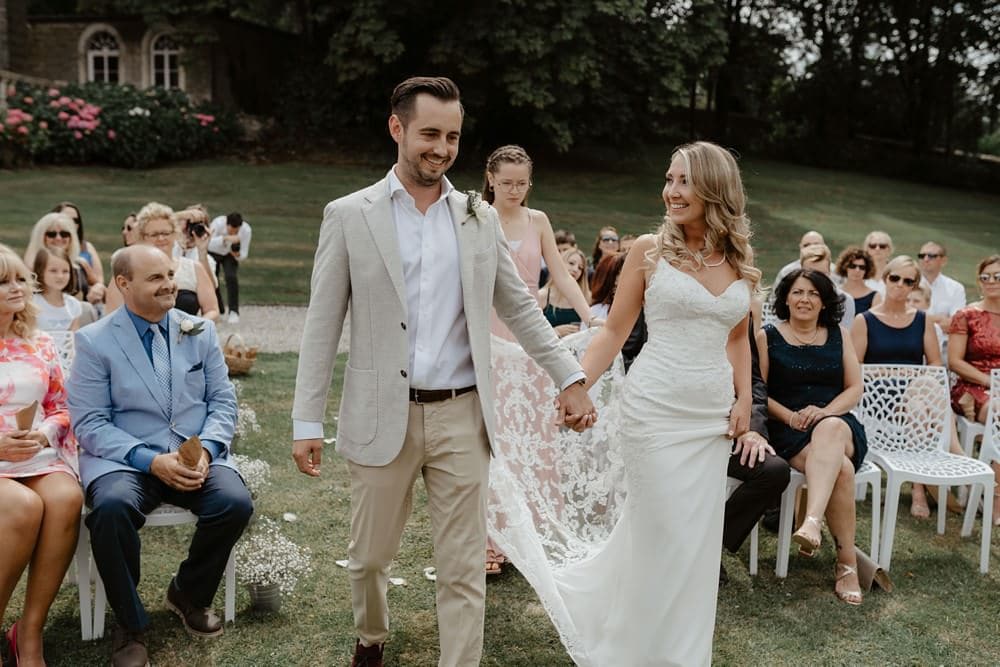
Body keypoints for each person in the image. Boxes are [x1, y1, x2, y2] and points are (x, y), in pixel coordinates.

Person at [289, 76, 594, 667]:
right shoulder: (349, 215)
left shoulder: (477, 218)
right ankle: (371, 637)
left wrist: (569, 376)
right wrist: (306, 419)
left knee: (462, 568)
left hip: (462, 414)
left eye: (452, 136)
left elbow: (521, 308)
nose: (442, 147)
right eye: (430, 133)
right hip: (382, 415)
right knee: (370, 557)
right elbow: (321, 325)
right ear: (397, 128)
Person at [489, 141, 758, 664]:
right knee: (661, 531)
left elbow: (737, 338)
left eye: (683, 181)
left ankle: (681, 653)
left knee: (693, 544)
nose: (671, 191)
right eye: (668, 179)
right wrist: (578, 383)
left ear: (713, 187)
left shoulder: (738, 260)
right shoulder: (649, 252)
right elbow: (614, 330)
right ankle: (629, 649)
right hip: (654, 413)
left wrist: (744, 399)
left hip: (710, 421)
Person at [68, 245, 252, 667]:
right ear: (123, 283)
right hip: (126, 461)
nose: (169, 284)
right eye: (155, 278)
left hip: (193, 455)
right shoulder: (95, 341)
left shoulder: (199, 331)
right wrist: (150, 461)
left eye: (170, 274)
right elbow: (91, 423)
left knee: (234, 502)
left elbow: (224, 402)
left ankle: (188, 592)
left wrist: (205, 450)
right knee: (111, 511)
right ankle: (130, 625)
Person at [480, 144, 592, 574]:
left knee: (534, 434)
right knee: (497, 437)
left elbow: (561, 273)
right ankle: (492, 542)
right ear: (491, 178)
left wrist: (589, 317)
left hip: (528, 332)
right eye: (506, 183)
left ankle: (537, 534)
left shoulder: (538, 220)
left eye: (522, 183)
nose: (514, 190)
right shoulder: (476, 214)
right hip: (488, 332)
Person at [758, 269, 868, 605]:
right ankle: (846, 564)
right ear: (786, 298)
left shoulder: (839, 334)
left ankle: (812, 521)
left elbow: (854, 389)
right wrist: (791, 416)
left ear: (824, 302)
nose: (804, 299)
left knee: (831, 429)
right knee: (843, 471)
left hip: (839, 423)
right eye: (797, 292)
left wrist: (825, 412)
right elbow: (759, 390)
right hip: (790, 429)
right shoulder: (767, 337)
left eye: (813, 294)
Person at [0, 247, 82, 667]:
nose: (16, 287)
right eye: (3, 281)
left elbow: (62, 405)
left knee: (67, 498)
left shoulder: (40, 342)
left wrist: (45, 431)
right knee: (24, 506)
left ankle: (28, 633)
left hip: (36, 454)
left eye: (18, 279)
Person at [850, 255, 962, 517]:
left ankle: (920, 486)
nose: (900, 284)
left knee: (920, 400)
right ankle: (941, 467)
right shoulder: (864, 320)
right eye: (895, 278)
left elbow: (935, 365)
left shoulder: (922, 320)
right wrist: (900, 371)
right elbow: (856, 368)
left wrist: (914, 380)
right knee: (923, 393)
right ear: (885, 279)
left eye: (908, 281)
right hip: (878, 398)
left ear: (914, 286)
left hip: (917, 396)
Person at [948, 254, 1000, 525]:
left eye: (997, 276)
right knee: (999, 411)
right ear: (979, 282)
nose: (991, 281)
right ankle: (995, 495)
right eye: (986, 276)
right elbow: (954, 361)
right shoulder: (967, 315)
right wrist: (992, 382)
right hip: (972, 386)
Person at [104, 203, 220, 321]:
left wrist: (193, 329)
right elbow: (112, 314)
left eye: (165, 233)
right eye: (154, 234)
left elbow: (212, 310)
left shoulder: (194, 268)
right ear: (143, 237)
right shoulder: (126, 269)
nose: (160, 238)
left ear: (175, 234)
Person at [24, 212, 104, 321]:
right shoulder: (32, 268)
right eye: (51, 234)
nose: (58, 238)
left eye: (64, 234)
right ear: (41, 237)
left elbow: (100, 287)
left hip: (78, 320)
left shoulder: (80, 265)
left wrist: (98, 288)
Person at [208, 212, 252, 324]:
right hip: (214, 252)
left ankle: (234, 311)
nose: (233, 233)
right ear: (226, 224)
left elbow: (244, 253)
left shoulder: (246, 230)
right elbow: (207, 243)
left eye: (236, 231)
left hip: (230, 255)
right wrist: (224, 238)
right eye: (231, 230)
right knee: (212, 278)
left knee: (231, 277)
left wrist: (237, 254)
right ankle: (218, 308)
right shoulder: (217, 223)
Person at [539, 247, 591, 336]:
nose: (575, 269)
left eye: (580, 268)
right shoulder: (542, 295)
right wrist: (555, 331)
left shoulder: (586, 297)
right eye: (571, 263)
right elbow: (529, 330)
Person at [52, 202, 104, 287]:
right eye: (66, 218)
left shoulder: (87, 247)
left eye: (75, 220)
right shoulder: (45, 248)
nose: (71, 223)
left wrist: (86, 267)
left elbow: (100, 284)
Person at [800, 243, 855, 324]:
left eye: (821, 274)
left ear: (829, 272)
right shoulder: (793, 298)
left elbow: (844, 334)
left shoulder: (845, 302)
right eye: (811, 274)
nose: (816, 279)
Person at [31, 247, 82, 332]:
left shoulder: (74, 305)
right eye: (53, 271)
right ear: (40, 272)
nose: (60, 276)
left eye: (65, 271)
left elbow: (73, 339)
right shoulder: (32, 304)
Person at [918, 241, 966, 330]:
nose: (926, 259)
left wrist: (920, 321)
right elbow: (903, 318)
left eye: (931, 256)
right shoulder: (908, 283)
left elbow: (956, 324)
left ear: (943, 261)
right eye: (922, 256)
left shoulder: (956, 288)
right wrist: (939, 318)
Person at [836, 245, 882, 315]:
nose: (857, 270)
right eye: (852, 266)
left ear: (867, 270)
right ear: (845, 267)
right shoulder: (835, 292)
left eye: (862, 267)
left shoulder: (875, 296)